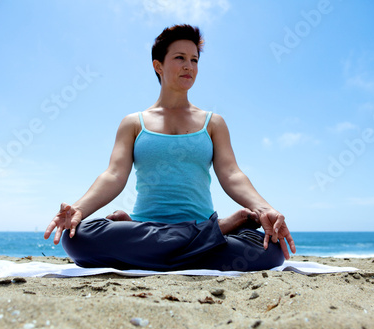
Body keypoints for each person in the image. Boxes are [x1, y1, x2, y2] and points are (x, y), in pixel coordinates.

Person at [44, 24, 295, 271]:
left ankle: (168, 247)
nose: (189, 66)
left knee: (270, 251)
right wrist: (78, 209)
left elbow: (231, 174)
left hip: (146, 240)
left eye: (194, 60)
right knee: (75, 237)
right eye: (180, 58)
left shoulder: (213, 123)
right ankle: (216, 230)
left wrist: (264, 208)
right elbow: (114, 175)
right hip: (161, 230)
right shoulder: (133, 123)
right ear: (158, 66)